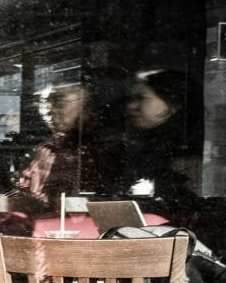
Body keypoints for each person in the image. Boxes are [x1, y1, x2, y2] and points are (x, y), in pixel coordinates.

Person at [11, 82, 126, 214]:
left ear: (87, 108)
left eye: (59, 102)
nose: (50, 109)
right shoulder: (47, 148)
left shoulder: (106, 150)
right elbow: (23, 191)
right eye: (46, 102)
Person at [124, 69, 194, 200]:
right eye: (131, 99)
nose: (131, 106)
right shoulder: (143, 143)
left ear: (174, 103)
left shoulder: (183, 151)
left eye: (142, 98)